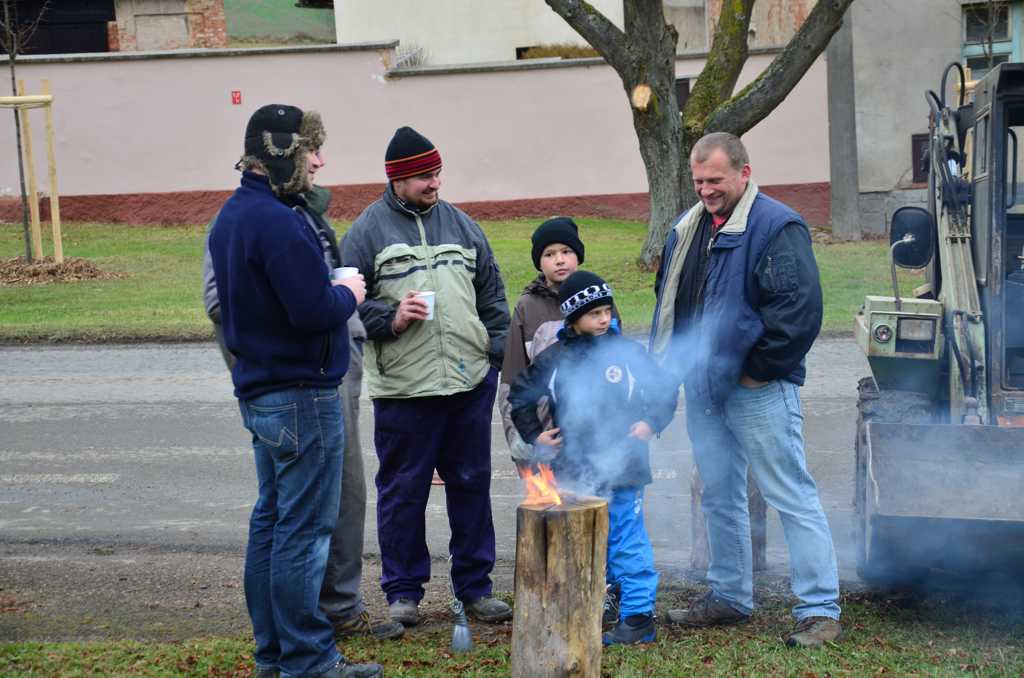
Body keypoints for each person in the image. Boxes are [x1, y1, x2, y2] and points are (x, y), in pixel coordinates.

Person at [209, 103, 383, 678]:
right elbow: (310, 310)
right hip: (302, 396)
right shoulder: (278, 222)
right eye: (311, 150)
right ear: (282, 152)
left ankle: (274, 655)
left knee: (272, 523)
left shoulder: (234, 214)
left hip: (264, 393)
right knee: (303, 533)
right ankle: (308, 661)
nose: (319, 161)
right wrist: (349, 294)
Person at [650, 132, 841, 647]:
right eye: (698, 181)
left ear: (744, 173)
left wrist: (757, 371)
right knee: (718, 495)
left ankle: (820, 609)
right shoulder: (688, 229)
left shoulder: (776, 226)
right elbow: (672, 305)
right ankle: (730, 596)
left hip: (757, 390)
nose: (705, 190)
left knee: (789, 494)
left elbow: (799, 312)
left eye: (715, 180)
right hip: (704, 389)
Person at [340, 126, 511, 627]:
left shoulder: (463, 225)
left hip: (468, 383)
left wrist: (494, 357)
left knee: (471, 484)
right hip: (404, 389)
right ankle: (403, 591)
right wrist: (390, 318)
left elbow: (492, 297)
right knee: (403, 491)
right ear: (397, 179)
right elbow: (344, 304)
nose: (434, 183)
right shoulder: (366, 232)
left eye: (437, 173)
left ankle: (475, 588)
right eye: (423, 177)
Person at [508, 270, 675, 646]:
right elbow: (519, 394)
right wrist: (535, 434)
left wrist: (651, 422)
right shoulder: (554, 359)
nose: (603, 319)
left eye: (607, 311)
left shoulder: (628, 354)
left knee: (625, 539)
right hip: (574, 470)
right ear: (572, 317)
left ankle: (638, 616)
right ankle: (602, 600)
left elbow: (664, 390)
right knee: (586, 539)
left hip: (625, 468)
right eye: (594, 313)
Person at [498, 217, 586, 466]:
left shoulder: (596, 300)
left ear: (578, 256)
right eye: (549, 254)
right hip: (546, 433)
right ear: (539, 262)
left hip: (593, 434)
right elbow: (511, 381)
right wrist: (523, 440)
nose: (559, 260)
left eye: (566, 251)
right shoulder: (528, 307)